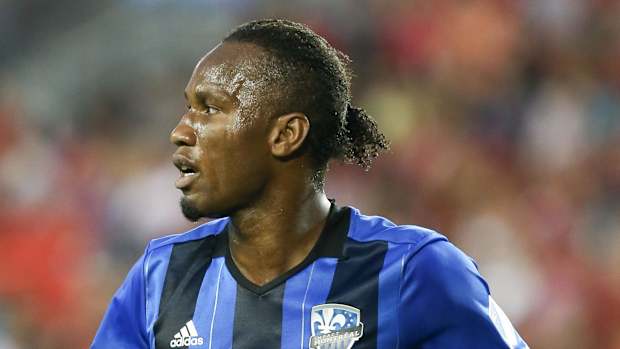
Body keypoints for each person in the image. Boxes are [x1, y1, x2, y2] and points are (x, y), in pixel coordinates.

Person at [91, 19, 529, 349]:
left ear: (285, 135)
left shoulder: (414, 271)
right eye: (187, 107)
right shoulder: (159, 278)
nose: (181, 130)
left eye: (209, 109)